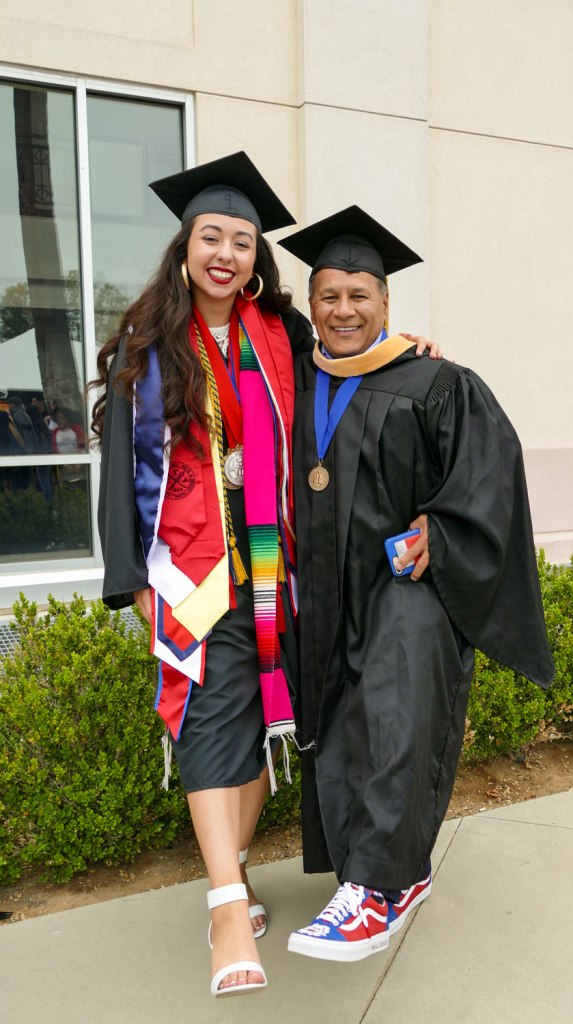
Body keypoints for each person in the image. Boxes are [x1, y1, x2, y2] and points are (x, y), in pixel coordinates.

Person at [278, 206, 555, 961]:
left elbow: (490, 476)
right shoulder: (291, 378)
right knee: (341, 727)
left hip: (408, 594)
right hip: (323, 596)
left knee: (397, 720)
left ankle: (376, 890)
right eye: (329, 296)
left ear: (385, 302)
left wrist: (442, 528)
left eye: (358, 295)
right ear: (311, 305)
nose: (343, 310)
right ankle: (388, 870)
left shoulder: (436, 381)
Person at [90, 152, 309, 998]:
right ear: (185, 247)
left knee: (255, 732)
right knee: (211, 729)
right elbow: (120, 467)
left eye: (242, 242)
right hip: (189, 574)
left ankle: (235, 868)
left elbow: (347, 371)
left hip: (274, 568)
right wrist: (131, 577)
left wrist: (413, 349)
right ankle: (226, 910)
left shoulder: (281, 335)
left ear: (256, 259)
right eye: (211, 236)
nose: (226, 253)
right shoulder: (147, 345)